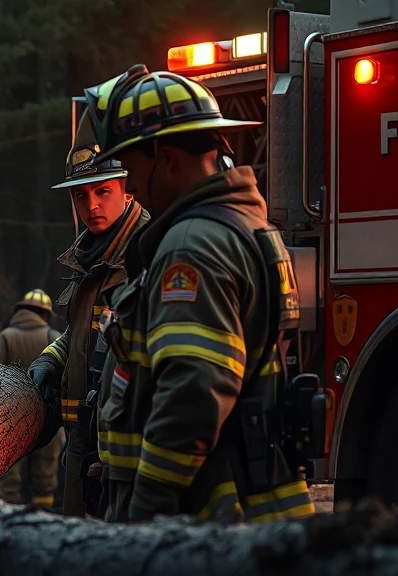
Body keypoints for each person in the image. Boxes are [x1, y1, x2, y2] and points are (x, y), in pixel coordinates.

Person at [81, 64, 313, 522]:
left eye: (131, 167)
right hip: (237, 509)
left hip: (208, 521)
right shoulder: (244, 225)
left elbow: (192, 392)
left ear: (165, 158)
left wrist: (146, 515)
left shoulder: (192, 245)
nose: (130, 185)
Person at [27, 112, 150, 517]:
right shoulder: (93, 257)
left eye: (103, 191)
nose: (92, 205)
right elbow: (82, 336)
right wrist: (49, 361)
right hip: (83, 447)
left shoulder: (146, 255)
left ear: (127, 190)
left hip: (126, 456)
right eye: (81, 196)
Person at [0, 289, 63, 509]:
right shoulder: (55, 338)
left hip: (9, 419)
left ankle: (9, 516)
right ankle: (43, 519)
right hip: (47, 420)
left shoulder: (5, 337)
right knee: (45, 476)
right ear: (45, 314)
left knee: (9, 473)